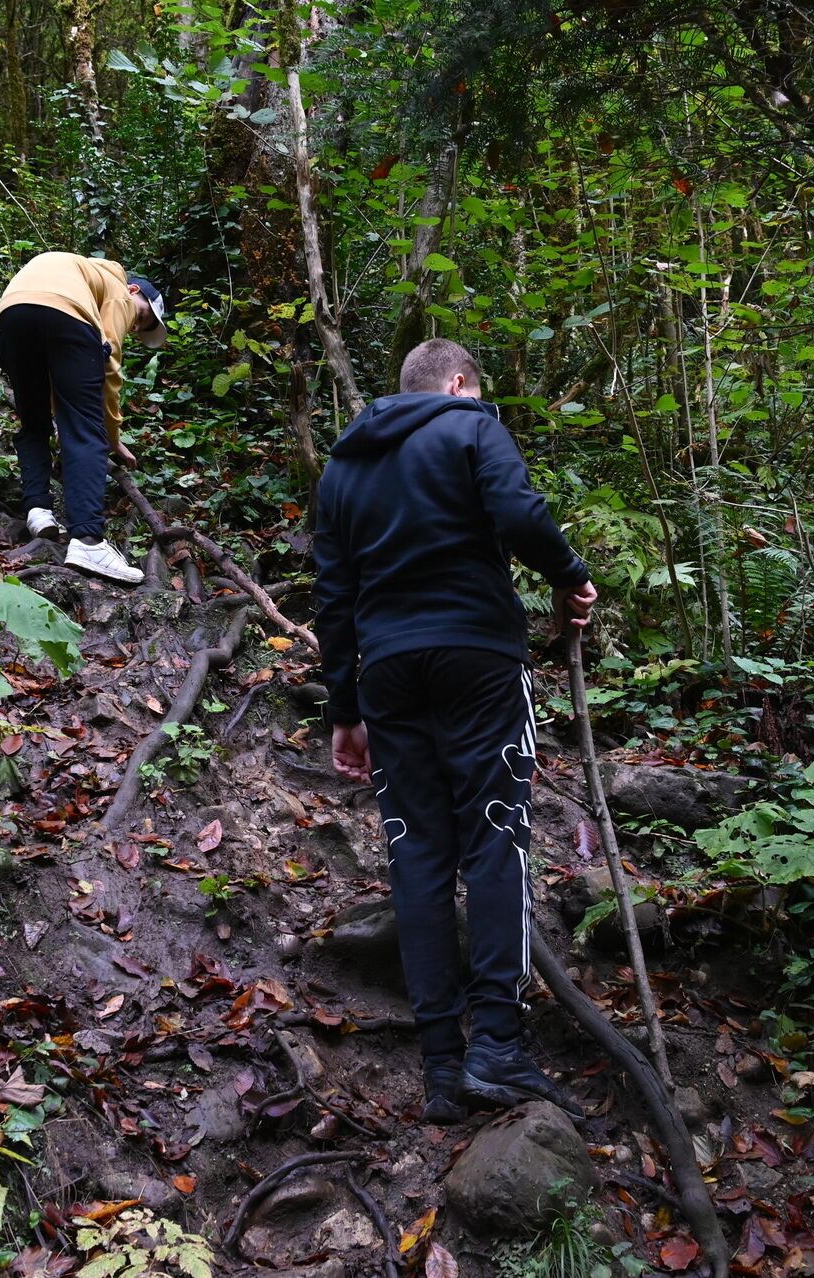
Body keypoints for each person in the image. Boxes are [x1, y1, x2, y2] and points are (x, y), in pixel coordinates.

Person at [313, 338, 598, 1123]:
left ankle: (442, 1066)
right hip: (478, 658)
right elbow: (517, 512)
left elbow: (333, 596)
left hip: (390, 675)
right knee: (496, 837)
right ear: (460, 382)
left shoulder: (344, 466)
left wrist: (345, 710)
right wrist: (570, 576)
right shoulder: (472, 427)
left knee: (419, 853)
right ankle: (498, 1049)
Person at [0, 253, 167, 585]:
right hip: (66, 317)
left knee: (33, 421)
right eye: (141, 317)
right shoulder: (118, 288)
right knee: (87, 430)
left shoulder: (77, 272)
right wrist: (111, 435)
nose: (134, 326)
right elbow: (109, 366)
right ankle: (88, 540)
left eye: (139, 328)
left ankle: (38, 509)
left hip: (12, 314)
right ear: (134, 291)